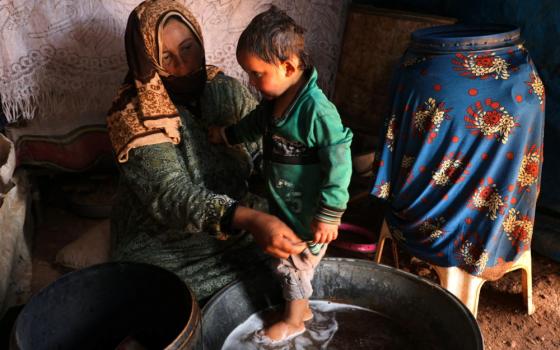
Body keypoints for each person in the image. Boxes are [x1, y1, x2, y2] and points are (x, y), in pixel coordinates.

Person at [106, 0, 306, 305]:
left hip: (238, 218)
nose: (183, 65)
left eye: (188, 48)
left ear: (199, 39)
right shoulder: (134, 114)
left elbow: (262, 151)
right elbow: (170, 196)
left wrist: (300, 185)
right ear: (149, 61)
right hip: (165, 241)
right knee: (168, 297)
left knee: (296, 256)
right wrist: (251, 220)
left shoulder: (223, 88)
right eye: (167, 58)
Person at [209, 7, 353, 342]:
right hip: (286, 203)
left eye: (257, 74)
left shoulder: (316, 110)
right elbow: (254, 124)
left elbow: (340, 159)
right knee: (286, 259)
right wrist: (227, 135)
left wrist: (331, 214)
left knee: (294, 264)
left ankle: (295, 321)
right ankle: (300, 308)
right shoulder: (274, 102)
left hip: (311, 212)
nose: (251, 82)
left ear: (288, 67)